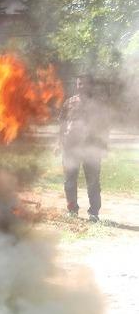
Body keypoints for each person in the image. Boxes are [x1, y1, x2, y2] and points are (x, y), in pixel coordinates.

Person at [59, 76, 107, 222]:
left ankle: (94, 213)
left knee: (93, 182)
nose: (81, 86)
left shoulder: (98, 104)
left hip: (91, 148)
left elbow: (104, 125)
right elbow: (62, 123)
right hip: (71, 147)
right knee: (69, 182)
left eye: (84, 84)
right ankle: (72, 210)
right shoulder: (69, 102)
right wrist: (59, 142)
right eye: (79, 84)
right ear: (76, 85)